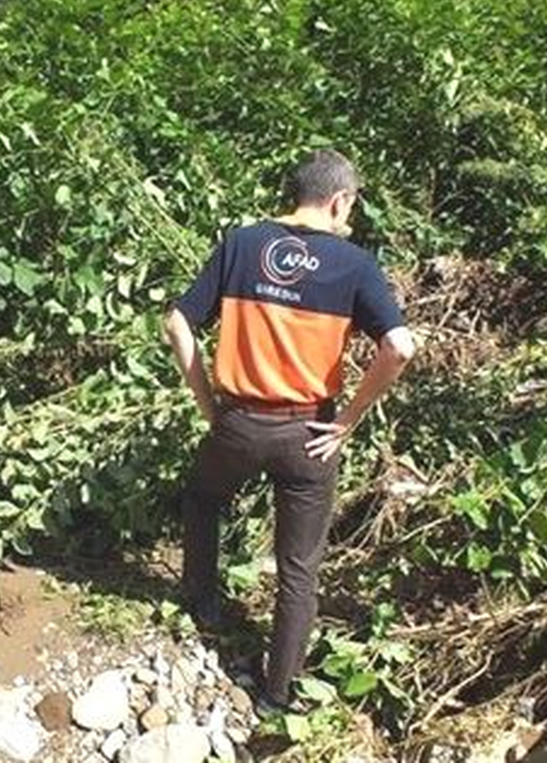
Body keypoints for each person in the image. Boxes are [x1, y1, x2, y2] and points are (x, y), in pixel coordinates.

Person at [163, 149, 415, 711]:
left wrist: (208, 402)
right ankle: (277, 695)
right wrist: (348, 420)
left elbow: (176, 321)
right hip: (310, 434)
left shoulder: (243, 243)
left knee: (203, 497)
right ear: (340, 200)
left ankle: (202, 600)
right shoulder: (355, 264)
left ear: (292, 193)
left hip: (237, 419)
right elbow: (400, 346)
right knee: (298, 568)